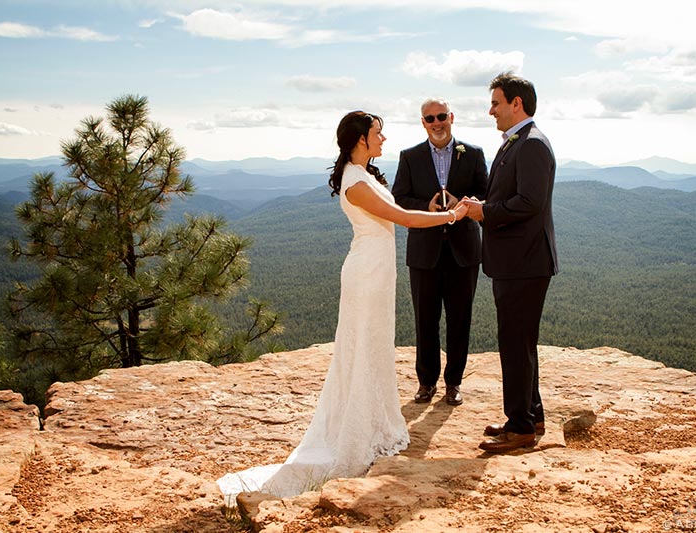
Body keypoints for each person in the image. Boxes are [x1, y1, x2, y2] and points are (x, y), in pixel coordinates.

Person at [217, 111, 468, 502]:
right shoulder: (355, 181)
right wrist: (452, 215)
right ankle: (355, 433)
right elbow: (400, 216)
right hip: (365, 274)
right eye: (378, 134)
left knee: (376, 345)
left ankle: (376, 422)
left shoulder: (364, 174)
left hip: (377, 272)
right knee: (363, 347)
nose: (383, 139)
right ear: (360, 140)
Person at [463, 72, 558, 454]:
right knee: (521, 342)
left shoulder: (531, 144)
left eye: (496, 103)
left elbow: (529, 203)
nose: (491, 111)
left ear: (516, 104)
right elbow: (508, 194)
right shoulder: (516, 142)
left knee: (515, 344)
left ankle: (519, 429)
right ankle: (530, 415)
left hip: (524, 263)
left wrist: (484, 212)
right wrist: (477, 203)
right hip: (517, 262)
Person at [392, 98, 488, 406]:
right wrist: (427, 207)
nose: (437, 123)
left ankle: (454, 383)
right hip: (424, 251)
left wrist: (466, 202)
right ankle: (426, 382)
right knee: (425, 319)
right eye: (430, 118)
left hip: (464, 250)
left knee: (461, 319)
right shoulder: (410, 157)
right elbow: (399, 198)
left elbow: (487, 194)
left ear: (451, 117)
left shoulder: (472, 154)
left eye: (441, 116)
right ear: (423, 122)